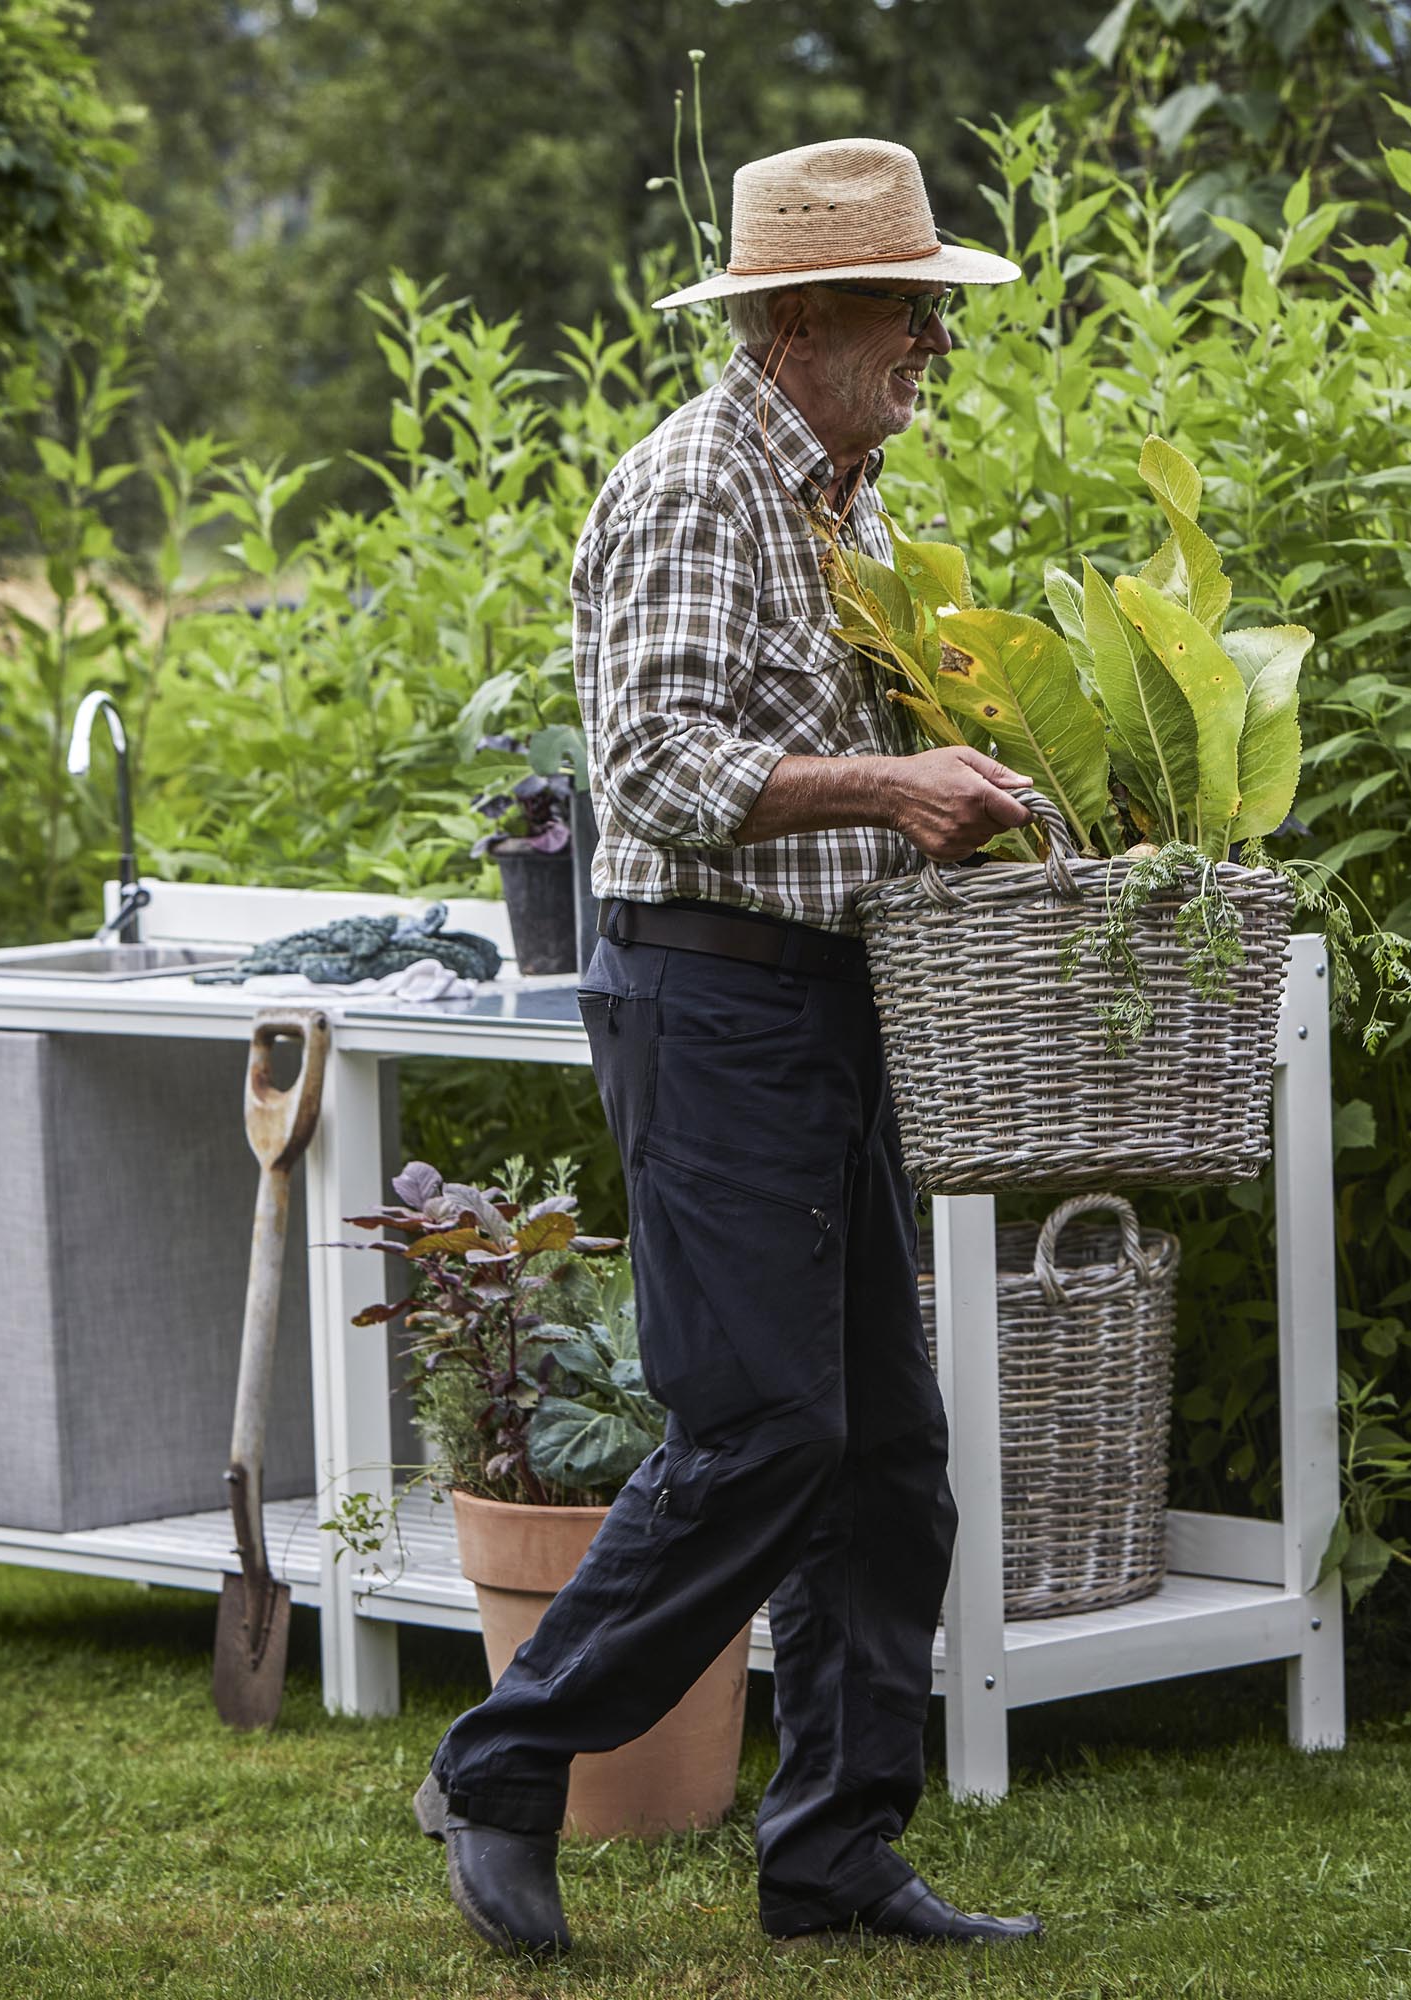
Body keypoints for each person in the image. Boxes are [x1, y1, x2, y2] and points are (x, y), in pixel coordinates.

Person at [411, 137, 1043, 1955]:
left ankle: (834, 1855)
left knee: (885, 1457)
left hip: (821, 993)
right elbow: (663, 778)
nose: (932, 345)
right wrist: (886, 781)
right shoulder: (699, 486)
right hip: (708, 996)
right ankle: (509, 1760)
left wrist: (982, 785)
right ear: (802, 322)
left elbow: (834, 774)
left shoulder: (844, 505)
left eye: (937, 315)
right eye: (911, 314)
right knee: (762, 1425)